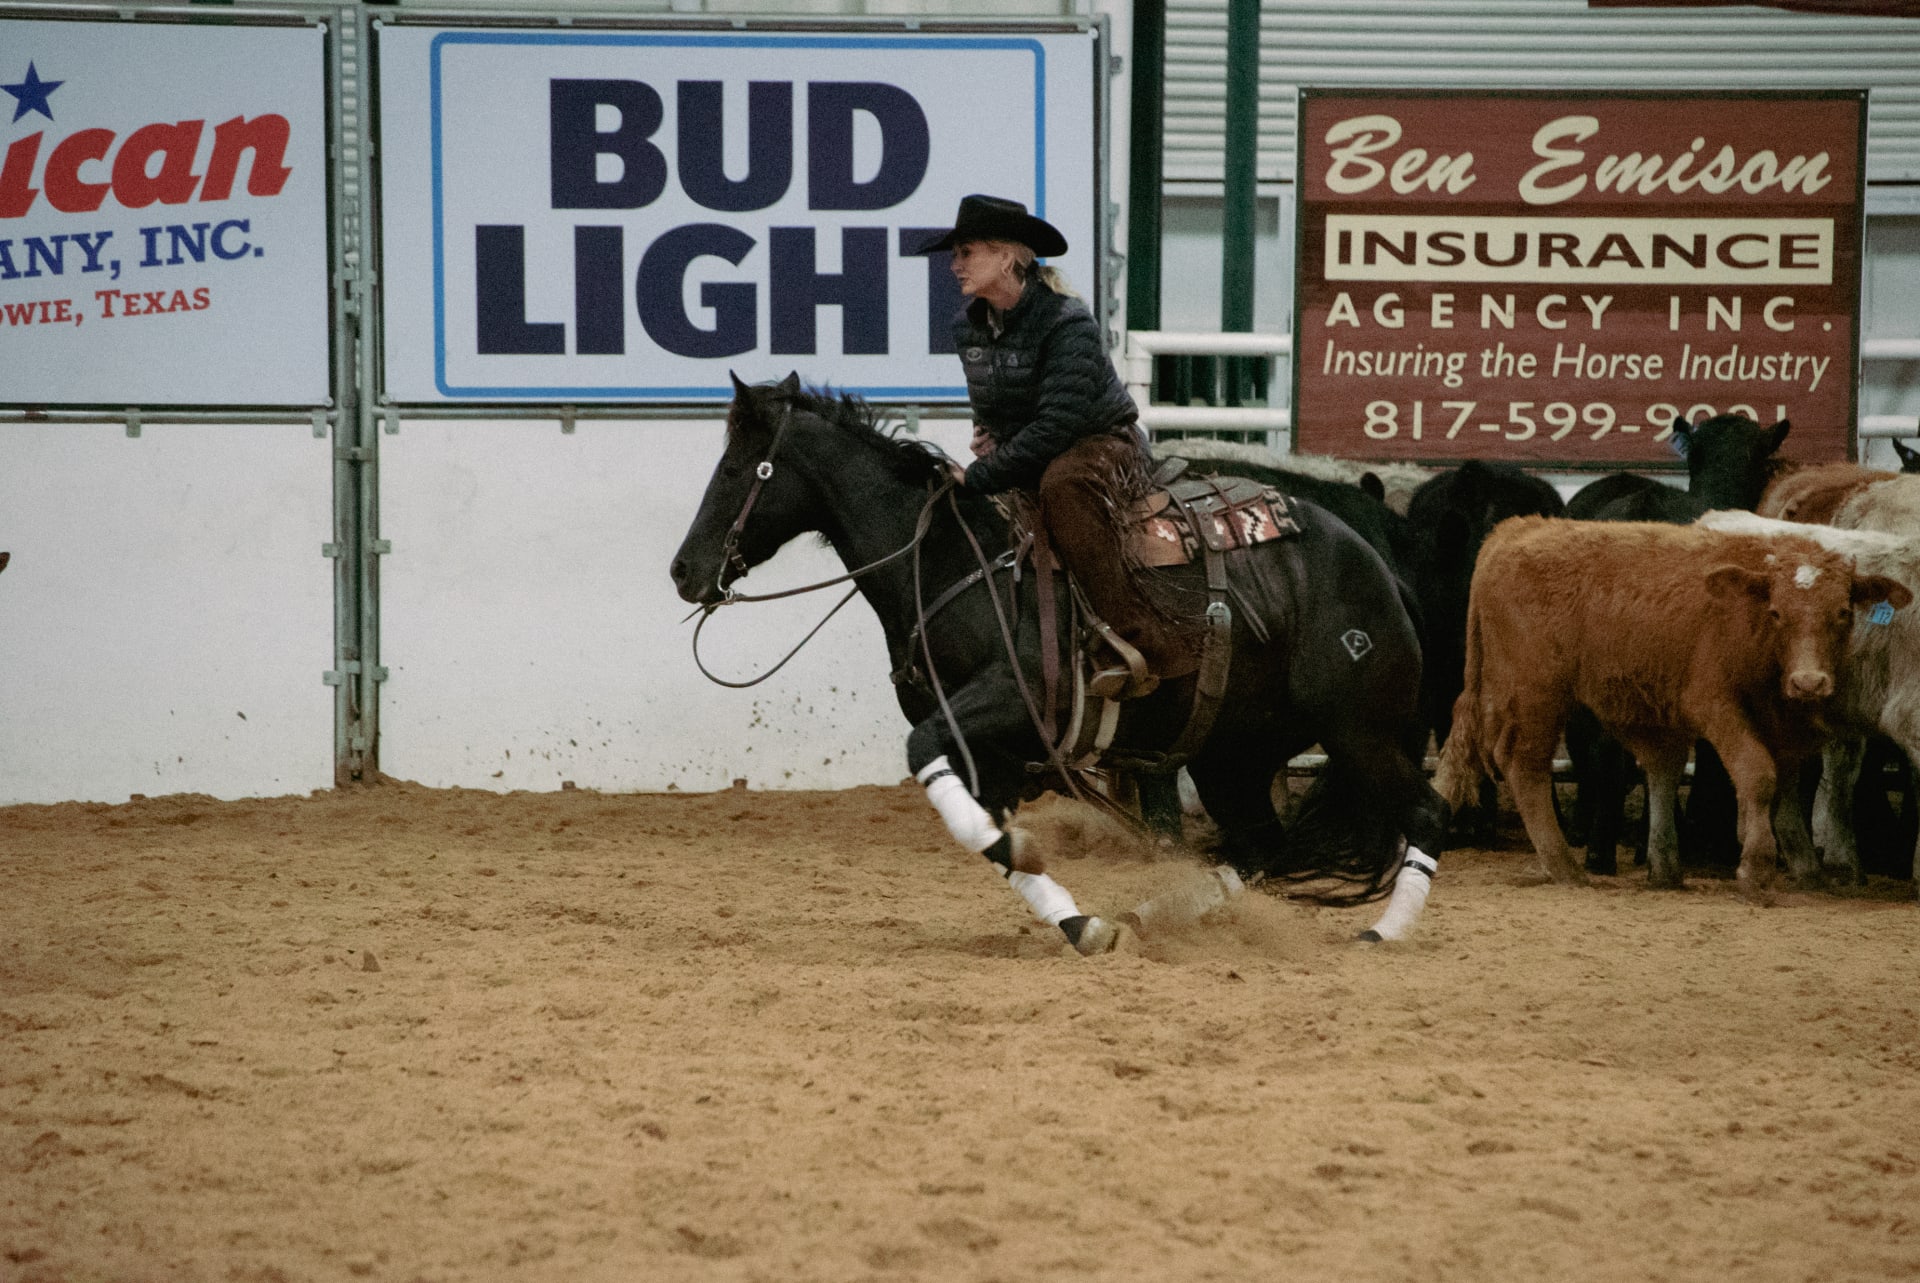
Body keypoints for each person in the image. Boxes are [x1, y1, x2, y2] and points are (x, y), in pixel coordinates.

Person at [914, 194, 1199, 698]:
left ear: (1006, 258)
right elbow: (992, 398)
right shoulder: (968, 327)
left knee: (1064, 487)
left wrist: (983, 472)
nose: (955, 265)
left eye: (967, 253)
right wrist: (990, 435)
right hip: (1037, 444)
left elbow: (1060, 425)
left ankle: (1137, 640)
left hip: (1103, 443)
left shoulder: (1067, 322)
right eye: (955, 255)